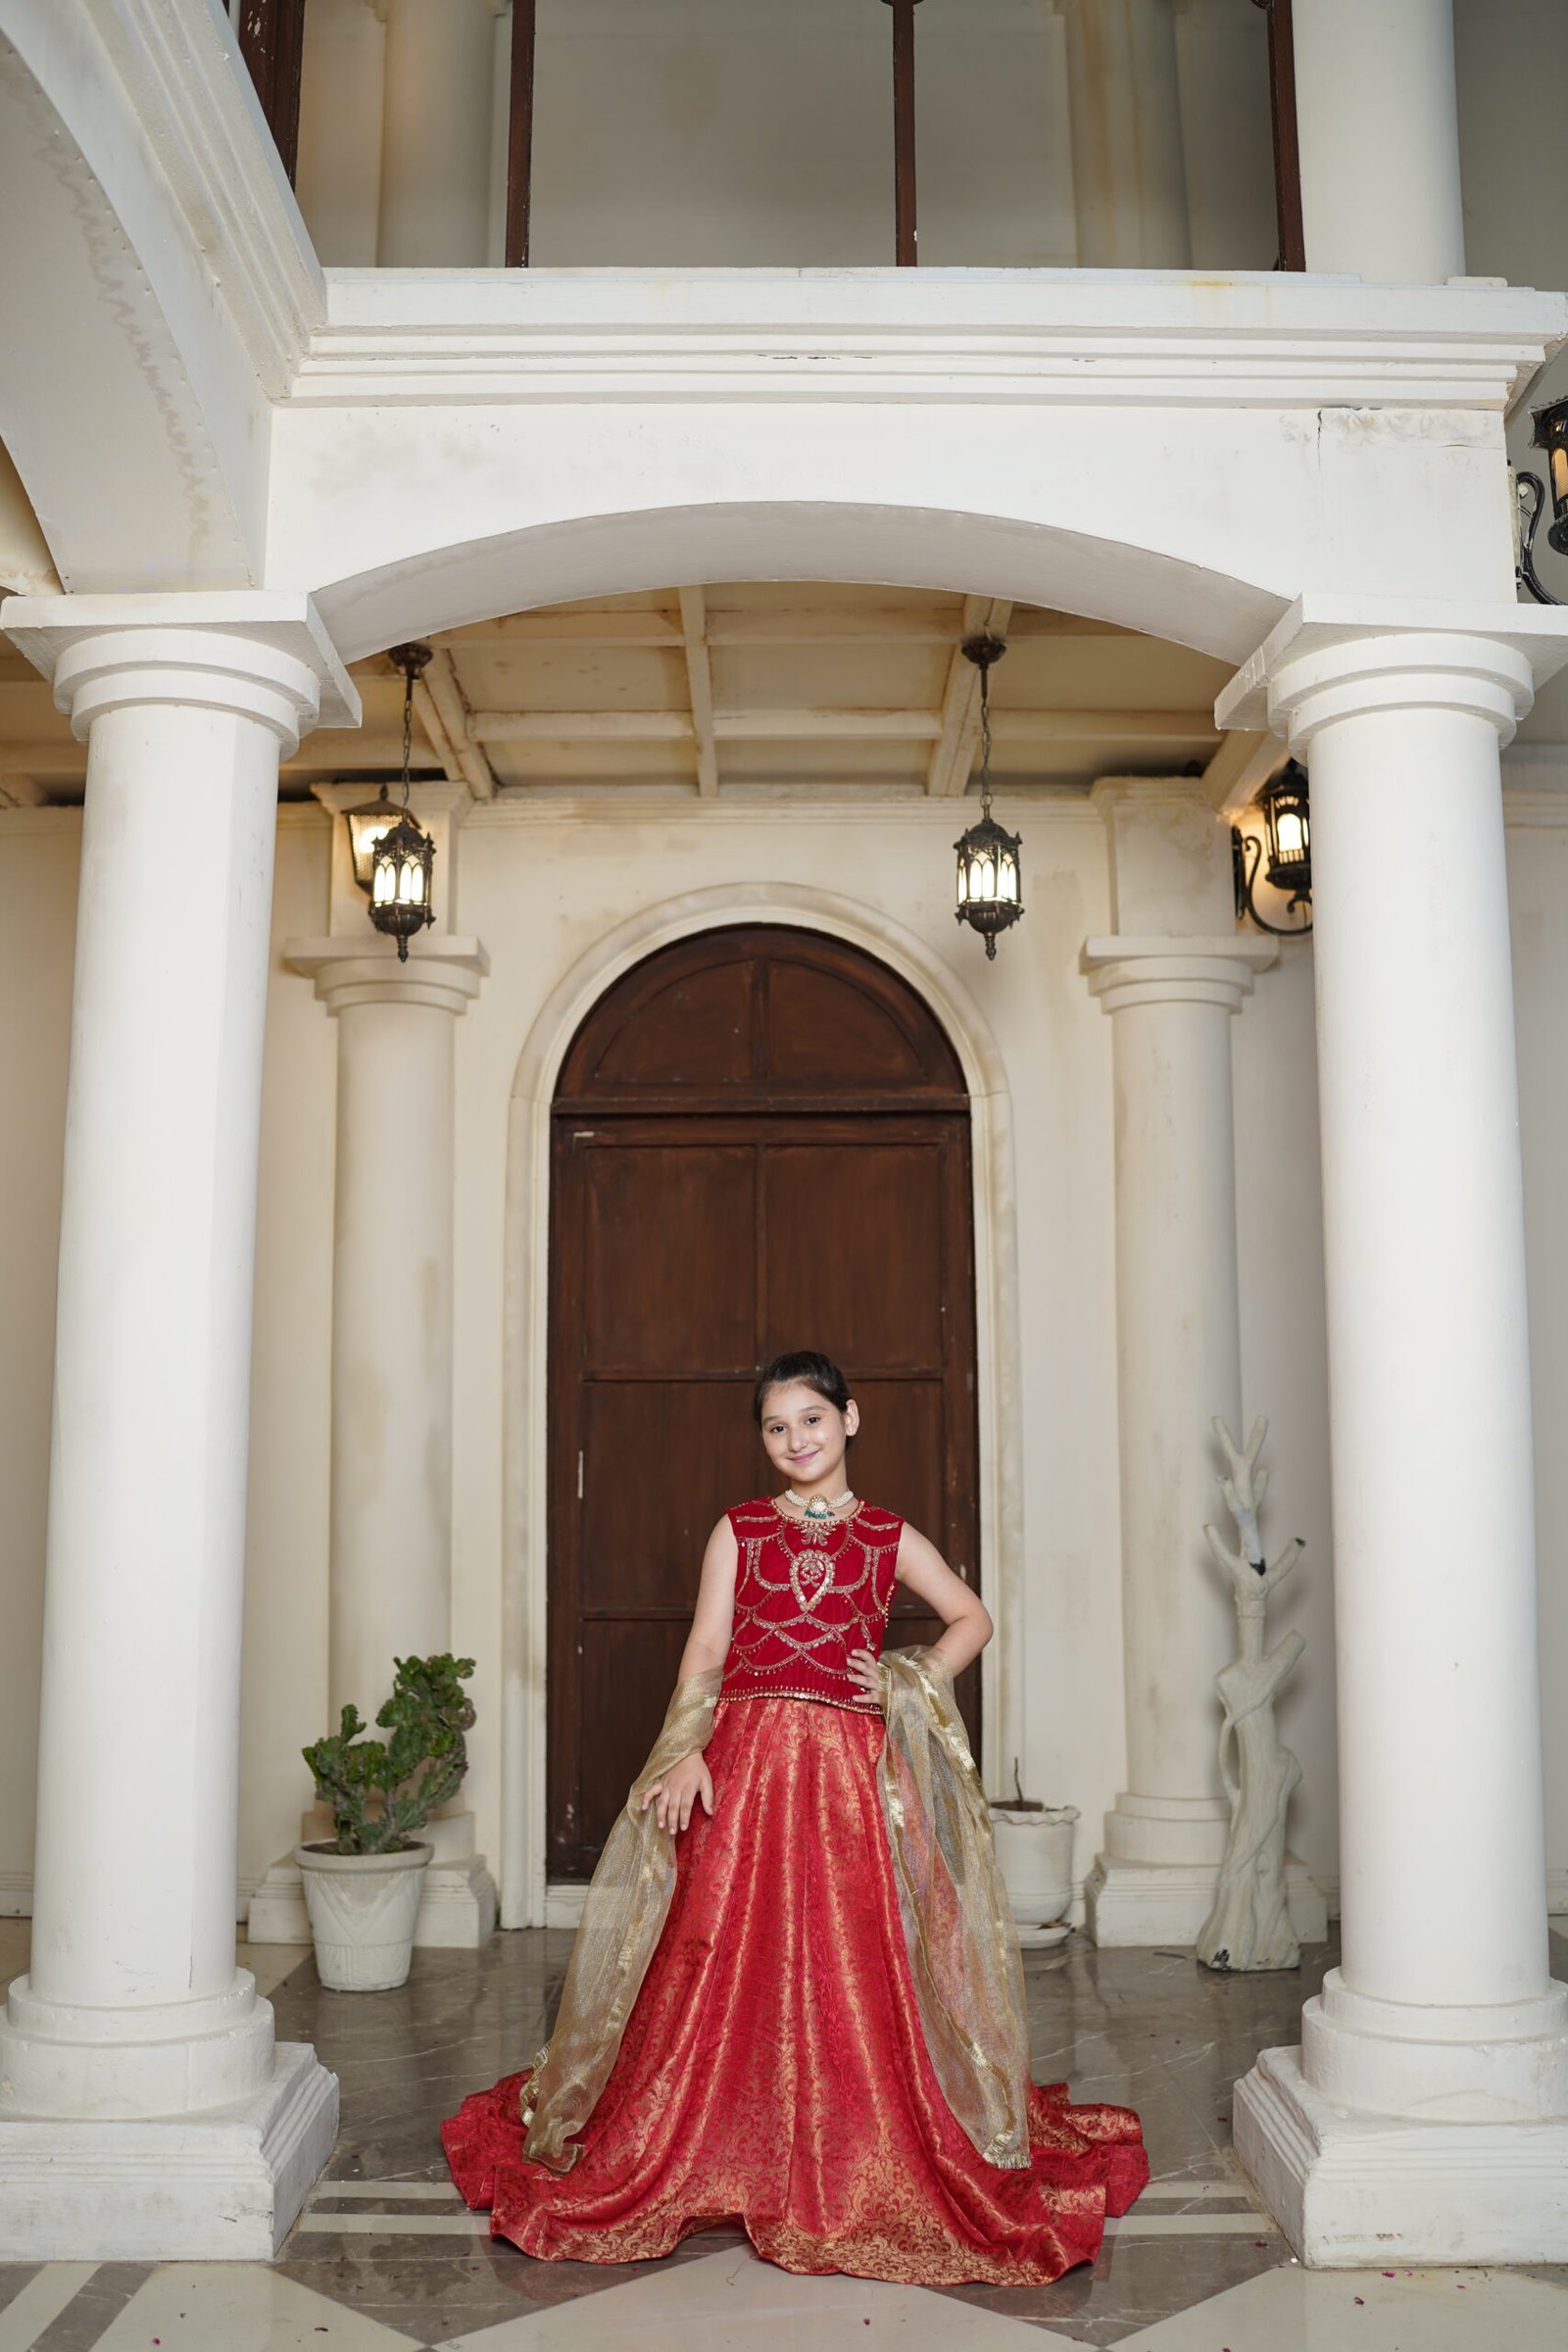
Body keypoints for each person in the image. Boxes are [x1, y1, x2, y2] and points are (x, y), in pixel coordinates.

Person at [442, 1350, 1148, 2283]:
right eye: (776, 1427)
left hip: (852, 1776)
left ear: (849, 1420)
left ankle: (856, 2139)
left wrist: (911, 1675)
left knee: (853, 1957)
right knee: (719, 1951)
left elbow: (970, 1618)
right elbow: (705, 1648)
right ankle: (722, 2136)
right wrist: (683, 1750)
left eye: (811, 1419)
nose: (795, 1440)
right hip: (744, 1766)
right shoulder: (739, 1531)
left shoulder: (889, 1537)